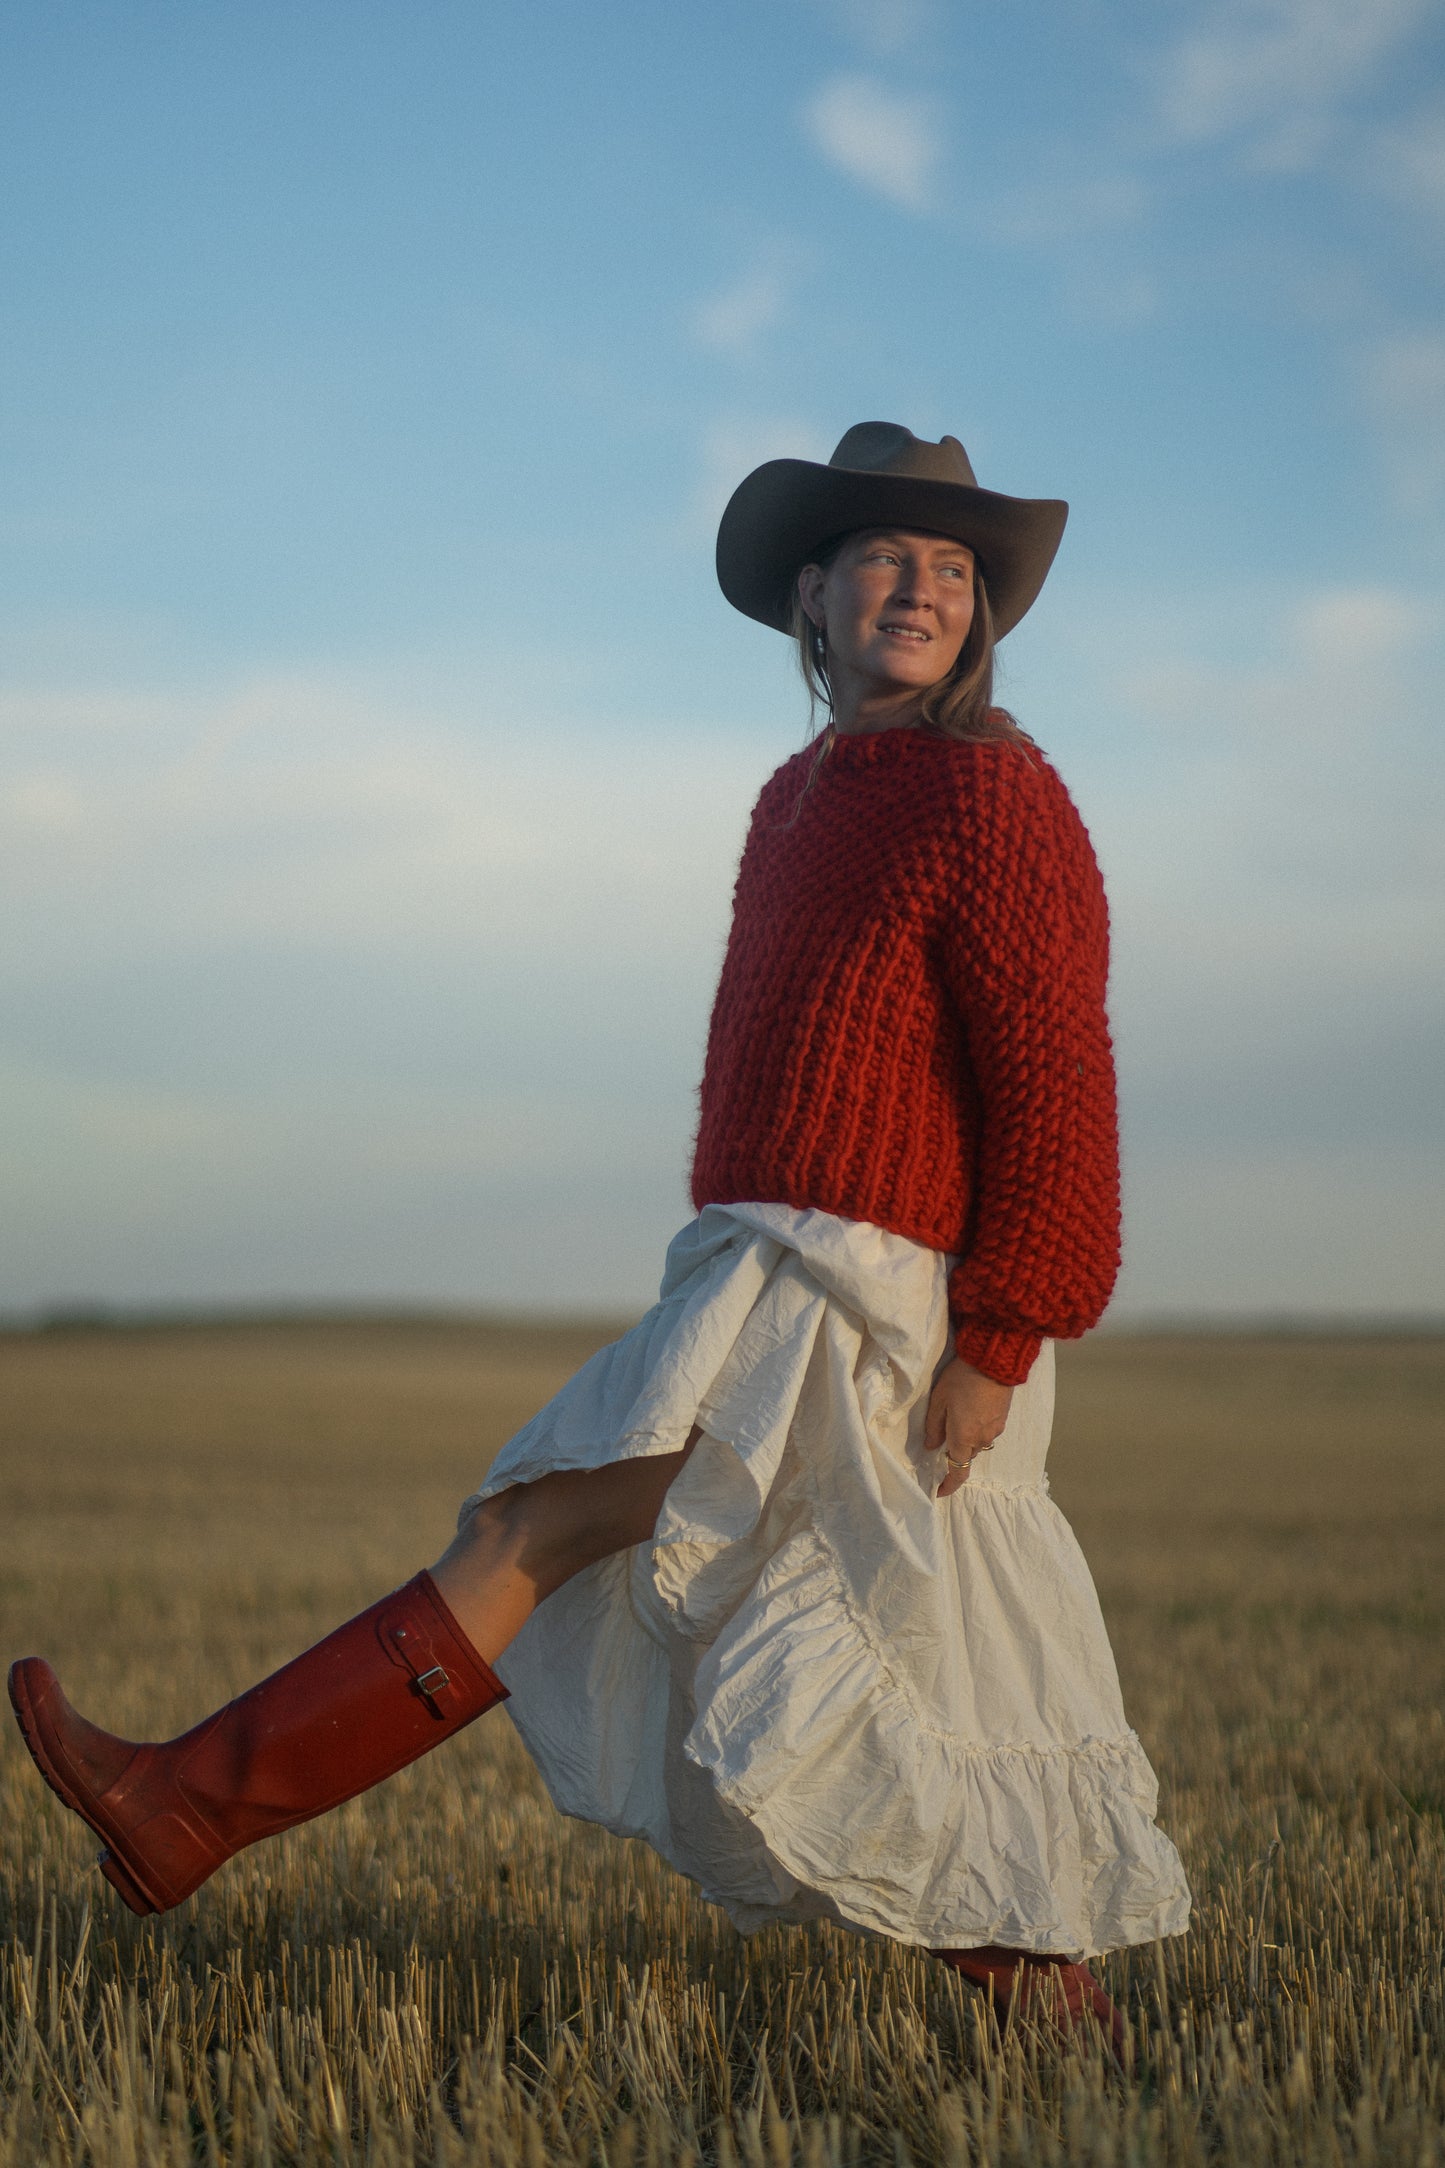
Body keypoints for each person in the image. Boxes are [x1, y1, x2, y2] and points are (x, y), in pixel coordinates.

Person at [9, 423, 1189, 2054]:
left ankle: (184, 1805)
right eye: (881, 559)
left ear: (979, 615)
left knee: (599, 1564)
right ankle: (180, 1809)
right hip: (756, 1272)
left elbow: (1056, 1079)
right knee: (730, 1626)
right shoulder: (798, 800)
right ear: (813, 599)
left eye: (949, 570)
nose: (916, 588)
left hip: (879, 1303)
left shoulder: (997, 796)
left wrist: (1002, 1339)